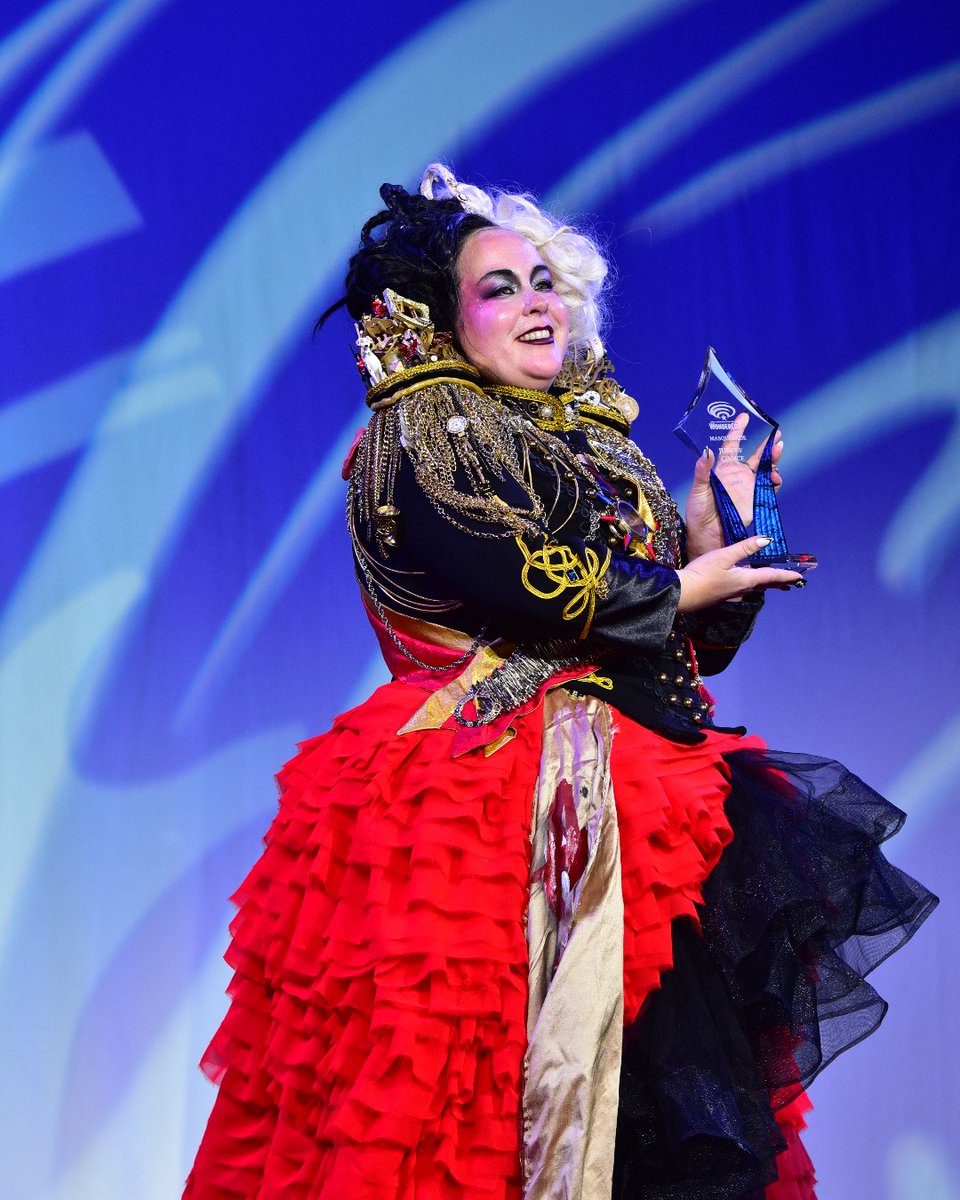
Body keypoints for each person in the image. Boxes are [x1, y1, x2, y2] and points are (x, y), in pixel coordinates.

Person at [183, 164, 937, 1200]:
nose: (537, 300)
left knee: (660, 1120)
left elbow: (684, 648)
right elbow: (524, 581)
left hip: (641, 800)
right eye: (500, 287)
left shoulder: (592, 444)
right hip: (500, 804)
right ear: (445, 324)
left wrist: (719, 550)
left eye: (546, 280)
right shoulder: (426, 423)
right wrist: (676, 583)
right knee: (471, 1112)